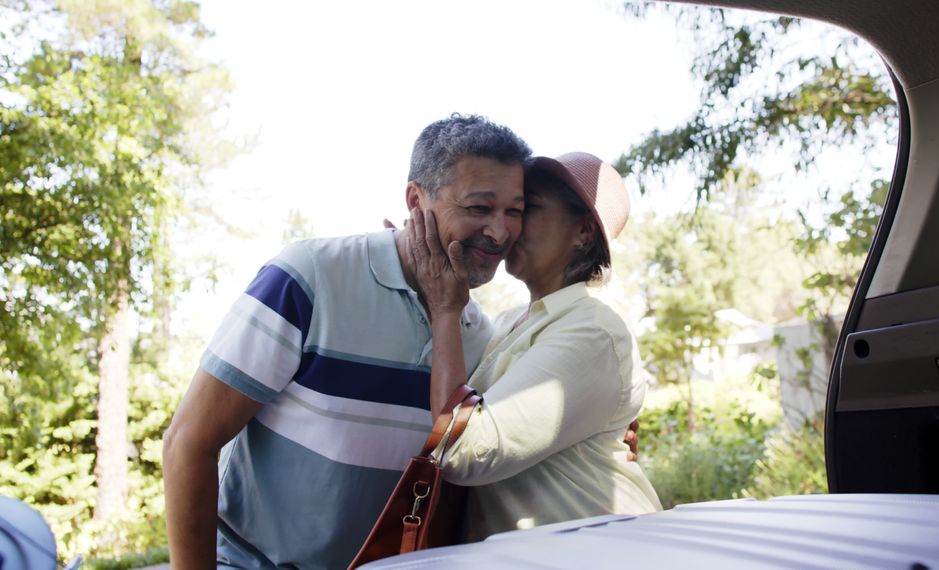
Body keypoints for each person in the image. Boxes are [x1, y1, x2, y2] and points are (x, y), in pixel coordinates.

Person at [162, 114, 532, 569]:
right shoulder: (311, 276)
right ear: (416, 200)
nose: (499, 232)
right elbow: (188, 443)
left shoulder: (477, 336)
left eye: (513, 211)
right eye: (479, 208)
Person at [408, 151, 662, 542]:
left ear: (583, 233)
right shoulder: (512, 321)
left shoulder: (592, 330)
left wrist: (445, 306)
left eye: (529, 210)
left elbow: (463, 451)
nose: (509, 228)